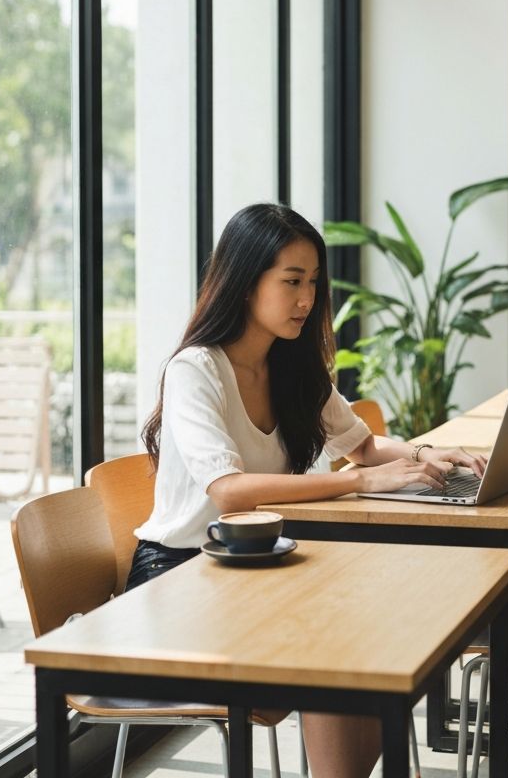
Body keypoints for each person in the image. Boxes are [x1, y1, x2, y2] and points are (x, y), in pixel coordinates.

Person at [127, 202, 487, 778]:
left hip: (257, 566)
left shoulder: (292, 367)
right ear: (244, 283)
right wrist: (362, 483)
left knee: (364, 613)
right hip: (179, 576)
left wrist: (423, 453)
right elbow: (231, 491)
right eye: (292, 281)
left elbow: (363, 446)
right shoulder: (195, 370)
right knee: (333, 633)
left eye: (313, 282)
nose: (307, 299)